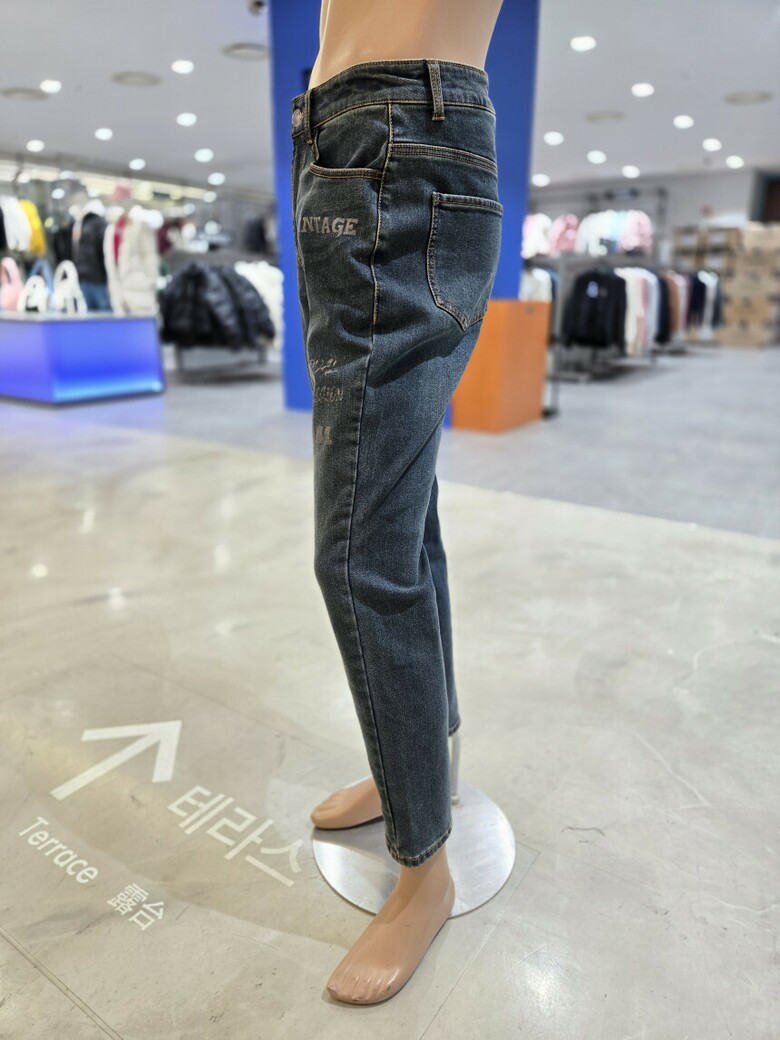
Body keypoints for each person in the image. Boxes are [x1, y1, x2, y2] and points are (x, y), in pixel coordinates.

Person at [290, 0, 505, 1006]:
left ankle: (424, 867)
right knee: (401, 523)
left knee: (359, 551)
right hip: (356, 137)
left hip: (395, 137)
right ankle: (414, 765)